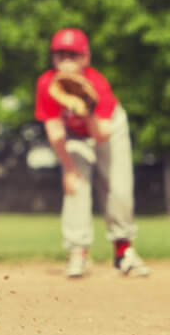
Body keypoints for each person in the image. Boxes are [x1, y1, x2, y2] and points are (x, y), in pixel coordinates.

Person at [34, 27, 150, 279]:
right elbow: (55, 131)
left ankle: (124, 251)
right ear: (53, 58)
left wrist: (86, 107)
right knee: (76, 186)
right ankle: (78, 253)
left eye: (72, 55)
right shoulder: (46, 84)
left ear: (85, 57)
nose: (65, 60)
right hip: (73, 137)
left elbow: (101, 135)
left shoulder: (97, 83)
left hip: (107, 128)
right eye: (60, 54)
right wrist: (69, 169)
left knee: (118, 187)